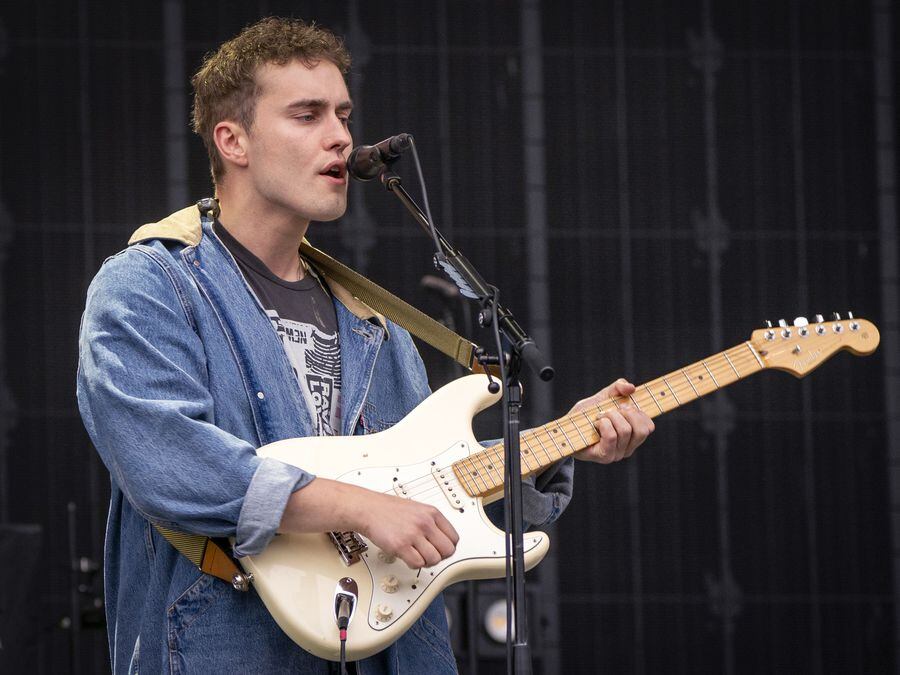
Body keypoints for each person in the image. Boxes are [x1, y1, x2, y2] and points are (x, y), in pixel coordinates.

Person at [76, 17, 655, 674]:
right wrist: (359, 506)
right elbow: (167, 457)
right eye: (307, 114)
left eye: (344, 114)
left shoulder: (373, 320)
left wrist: (570, 436)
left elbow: (423, 482)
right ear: (232, 140)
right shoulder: (150, 284)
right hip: (229, 646)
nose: (343, 137)